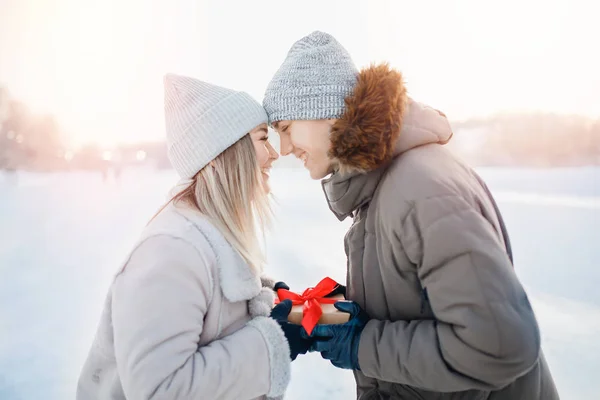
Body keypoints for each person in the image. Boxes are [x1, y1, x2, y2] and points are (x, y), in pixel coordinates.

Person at [263, 31, 559, 399]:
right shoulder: (383, 186)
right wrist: (325, 315)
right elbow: (415, 298)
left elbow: (498, 345)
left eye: (286, 129)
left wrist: (361, 344)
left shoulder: (421, 189)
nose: (286, 147)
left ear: (322, 110)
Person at [76, 73, 313, 399]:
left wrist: (267, 297)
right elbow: (160, 390)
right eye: (262, 139)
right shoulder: (170, 252)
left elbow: (216, 309)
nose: (274, 154)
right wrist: (271, 341)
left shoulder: (209, 229)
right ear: (224, 152)